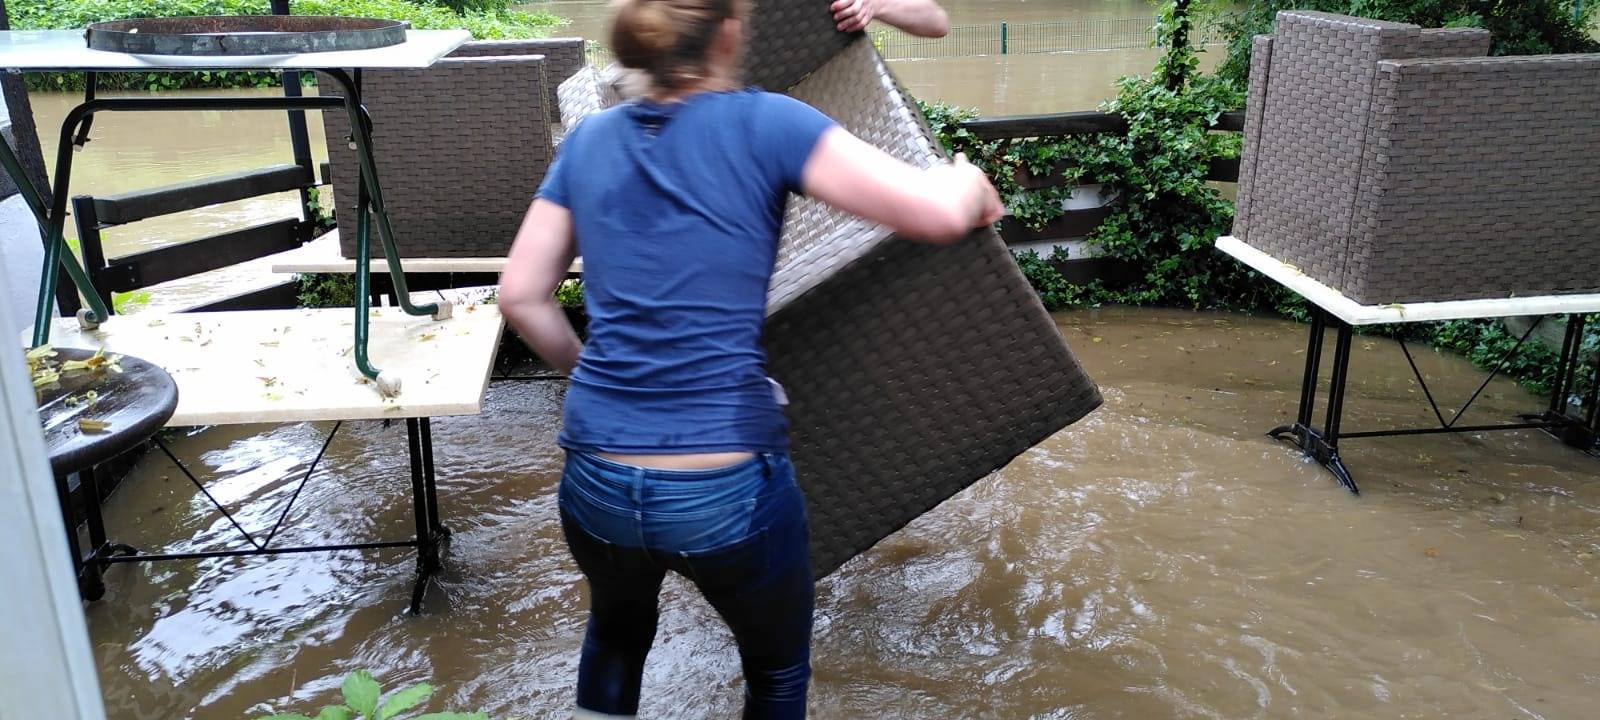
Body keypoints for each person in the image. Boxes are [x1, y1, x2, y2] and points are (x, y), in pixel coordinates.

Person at [497, 0, 1003, 717]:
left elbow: (520, 296)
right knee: (774, 675)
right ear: (729, 33)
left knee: (615, 636)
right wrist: (969, 183)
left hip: (596, 476)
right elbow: (937, 213)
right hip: (724, 482)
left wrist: (589, 374)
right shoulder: (770, 122)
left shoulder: (589, 141)